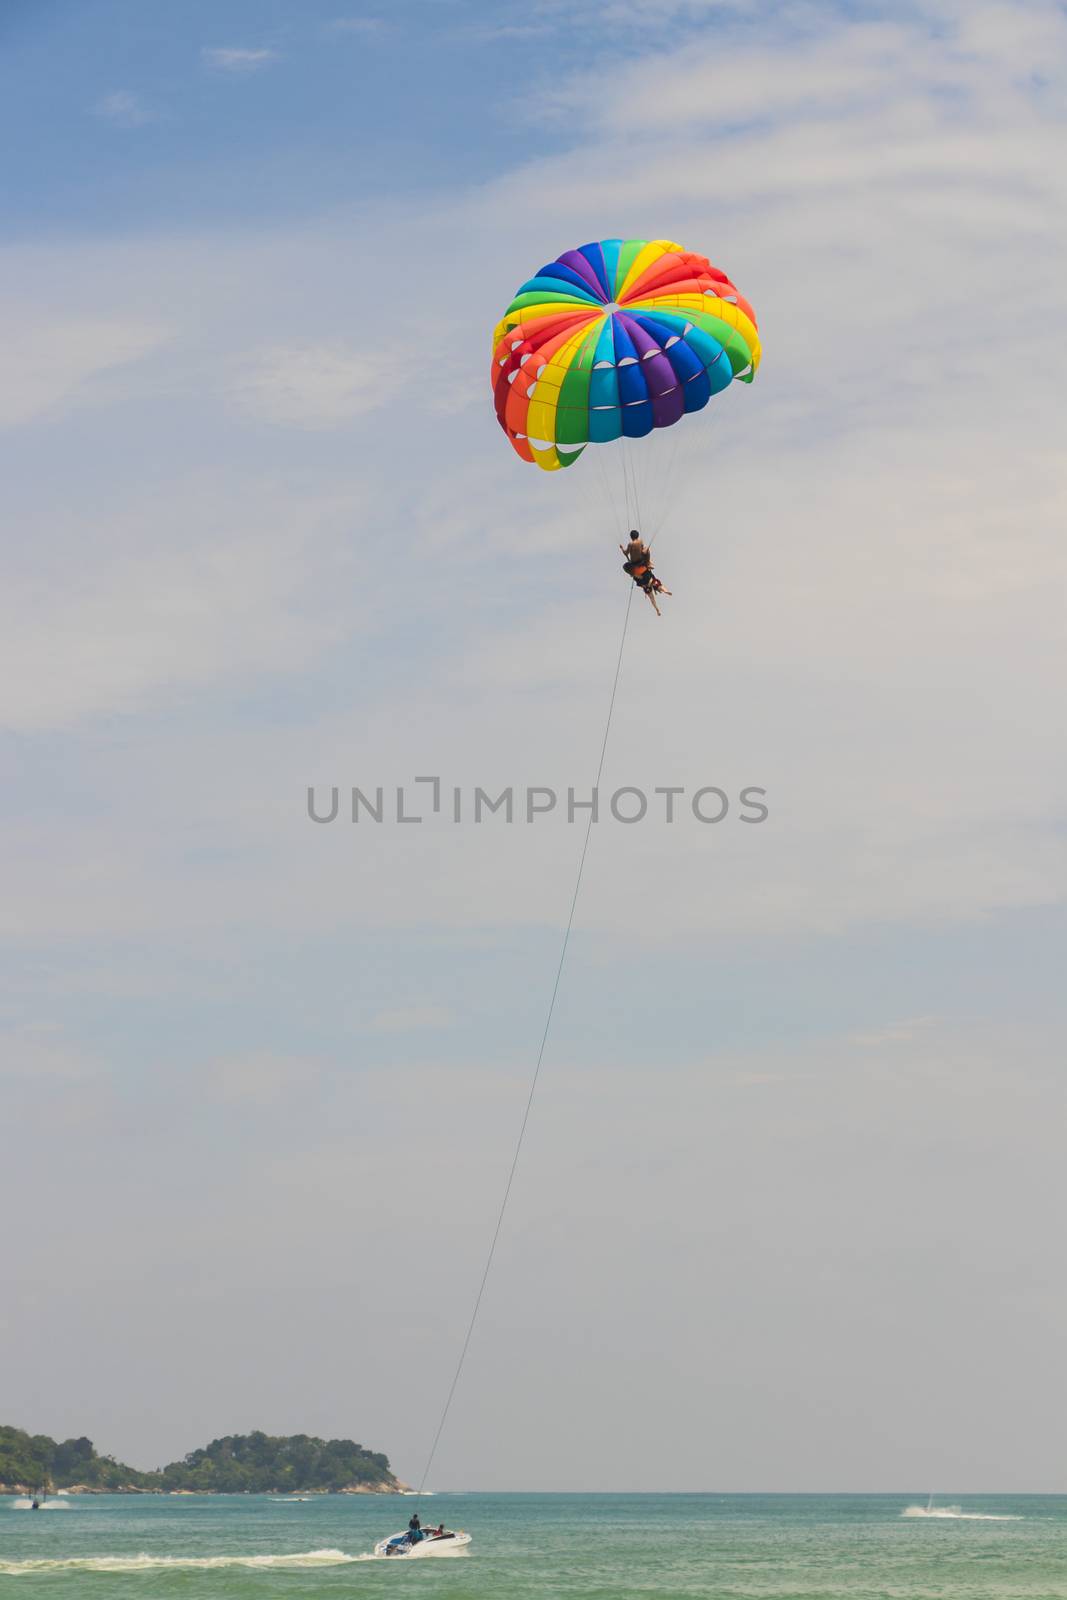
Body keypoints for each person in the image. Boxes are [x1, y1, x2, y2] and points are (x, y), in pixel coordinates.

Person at [620, 531, 672, 616]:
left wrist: (622, 548)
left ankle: (657, 610)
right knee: (657, 585)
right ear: (638, 535)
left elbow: (626, 553)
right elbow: (643, 550)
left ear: (631, 536)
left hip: (636, 568)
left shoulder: (630, 544)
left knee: (652, 597)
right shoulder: (641, 541)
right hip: (642, 563)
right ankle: (666, 591)